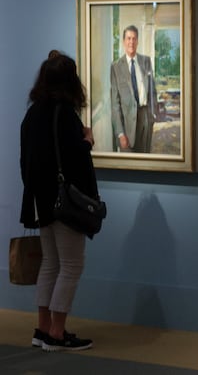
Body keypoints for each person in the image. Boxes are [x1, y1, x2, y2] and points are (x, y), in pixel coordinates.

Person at [20, 50, 96, 351]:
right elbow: (73, 158)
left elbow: (26, 160)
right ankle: (57, 332)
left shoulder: (33, 112)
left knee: (50, 263)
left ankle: (43, 328)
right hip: (65, 202)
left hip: (40, 200)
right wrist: (87, 141)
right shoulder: (64, 114)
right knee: (72, 265)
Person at [110, 25, 157, 152]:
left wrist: (153, 116)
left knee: (145, 160)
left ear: (137, 41)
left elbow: (152, 91)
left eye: (134, 38)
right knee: (128, 163)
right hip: (127, 123)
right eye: (129, 38)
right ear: (124, 41)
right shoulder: (115, 67)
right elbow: (115, 104)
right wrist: (120, 133)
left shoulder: (146, 61)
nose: (131, 42)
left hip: (145, 119)